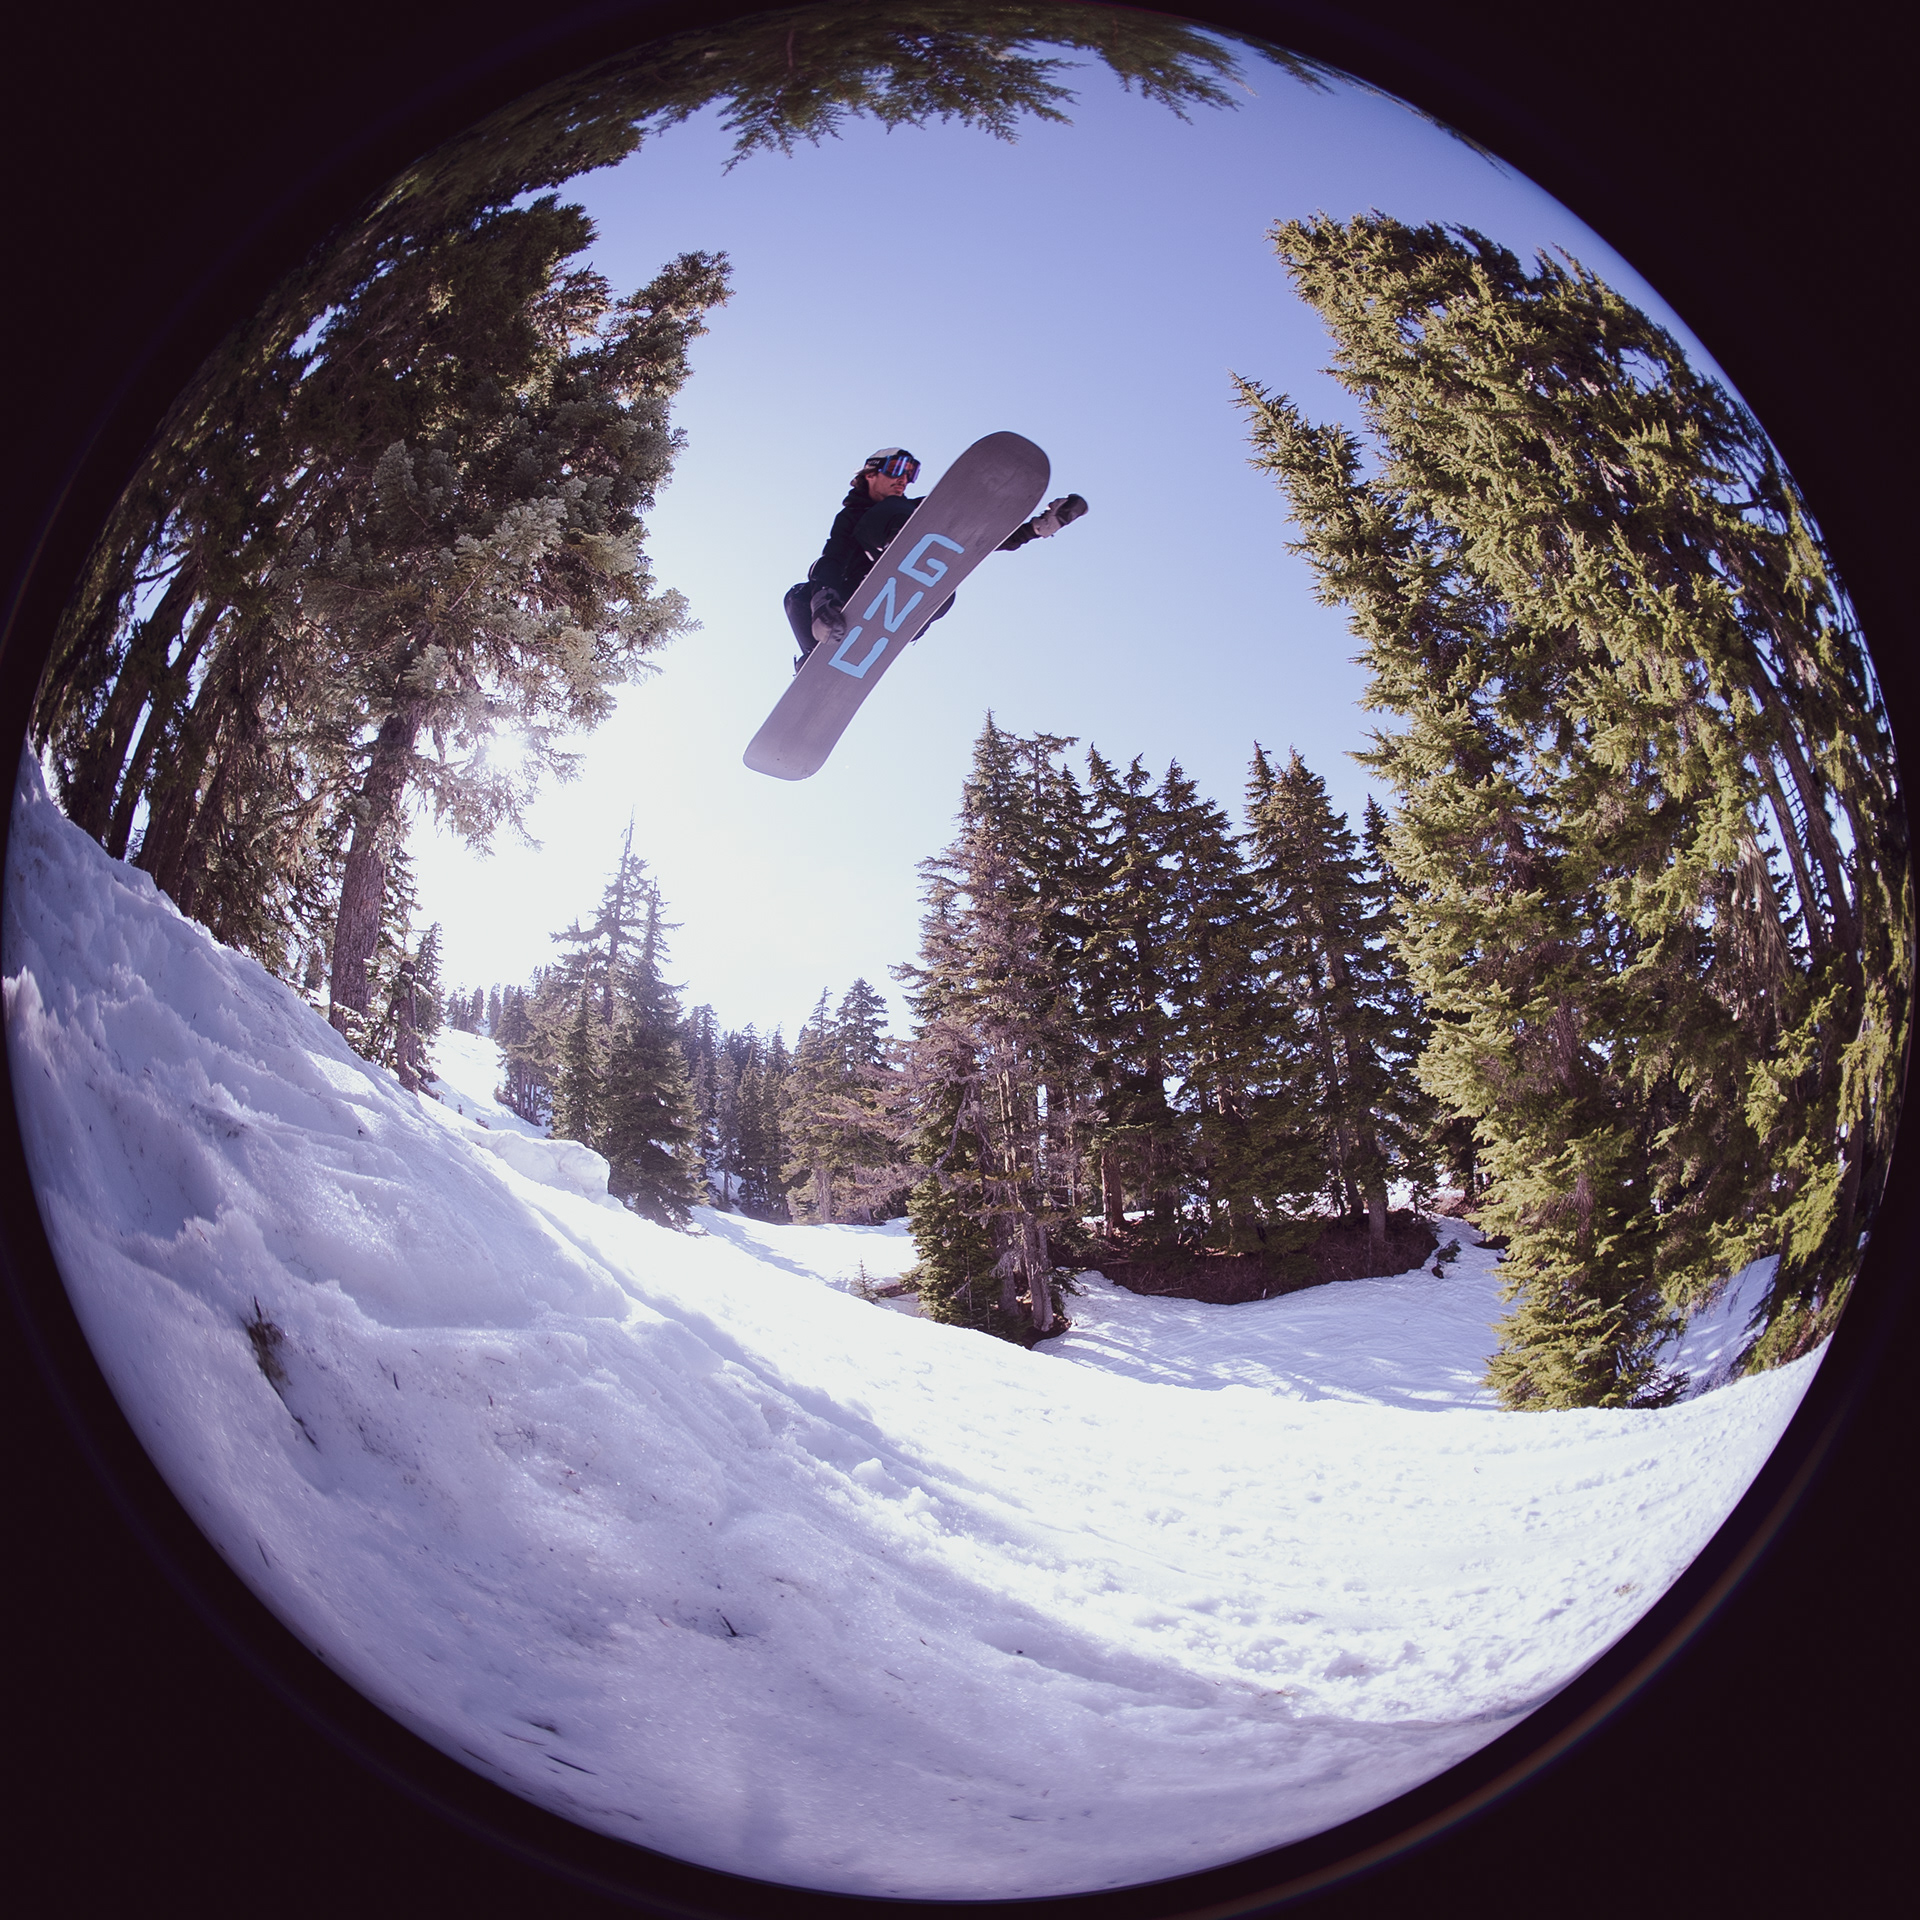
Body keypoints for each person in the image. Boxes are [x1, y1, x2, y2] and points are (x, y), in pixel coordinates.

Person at [784, 447, 1087, 669]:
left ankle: (908, 551)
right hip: (858, 599)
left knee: (912, 511)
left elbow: (975, 536)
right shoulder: (851, 517)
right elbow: (833, 556)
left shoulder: (915, 508)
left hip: (918, 595)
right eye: (897, 469)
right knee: (798, 596)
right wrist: (822, 603)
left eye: (910, 473)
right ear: (870, 474)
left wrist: (1035, 529)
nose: (904, 479)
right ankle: (816, 662)